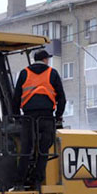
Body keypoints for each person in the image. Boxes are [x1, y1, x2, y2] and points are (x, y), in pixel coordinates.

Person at [12, 49, 66, 186]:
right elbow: (62, 98)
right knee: (44, 150)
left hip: (29, 117)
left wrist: (17, 117)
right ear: (45, 60)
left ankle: (19, 181)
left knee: (26, 149)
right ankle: (37, 179)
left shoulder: (24, 73)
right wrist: (58, 116)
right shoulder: (52, 73)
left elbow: (16, 97)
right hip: (46, 118)